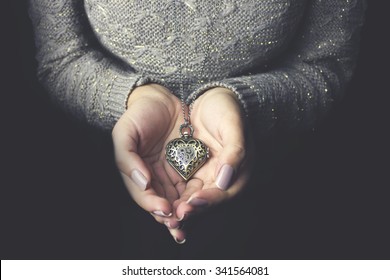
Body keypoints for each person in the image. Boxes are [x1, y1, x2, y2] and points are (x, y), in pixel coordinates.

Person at [29, 0, 366, 252]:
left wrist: (242, 103)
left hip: (291, 201)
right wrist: (136, 99)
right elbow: (61, 60)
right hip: (93, 200)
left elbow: (326, 67)